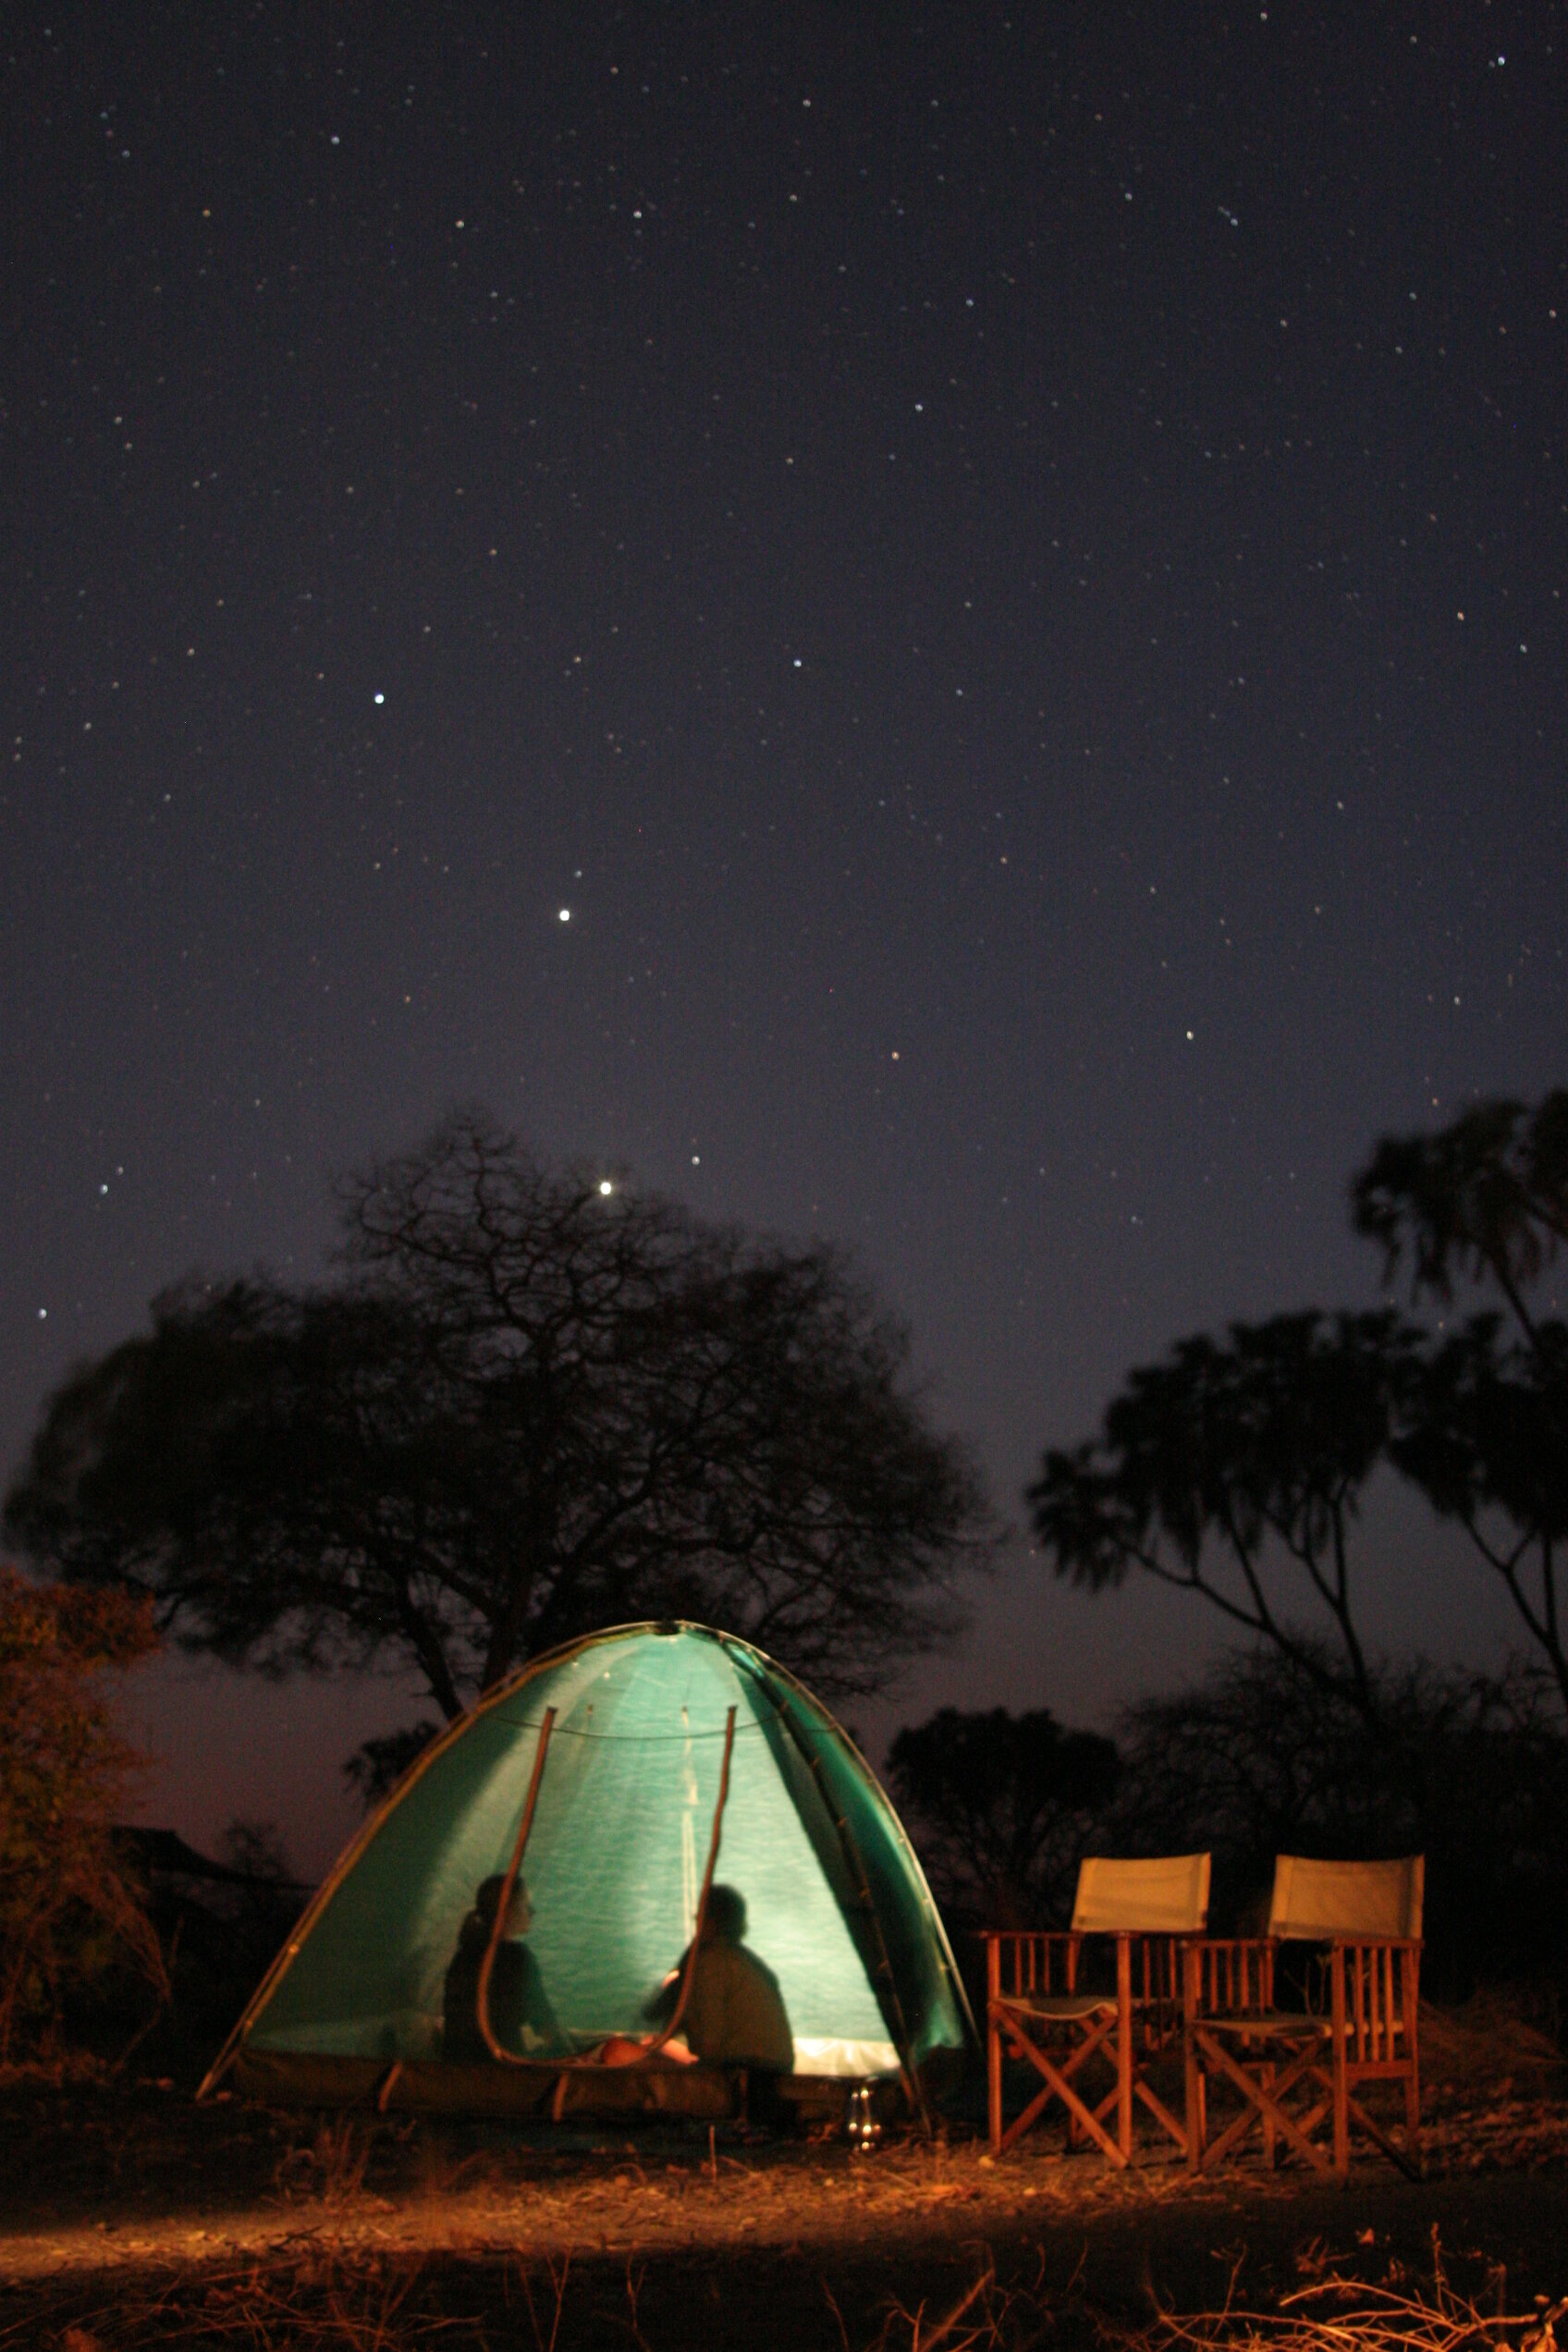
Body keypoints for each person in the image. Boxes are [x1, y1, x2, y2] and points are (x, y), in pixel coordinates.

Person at [644, 1884, 793, 2087]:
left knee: (633, 2054)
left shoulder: (712, 1963)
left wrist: (687, 2013)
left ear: (711, 1923)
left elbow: (709, 2049)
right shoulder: (745, 1962)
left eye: (700, 1915)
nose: (696, 1919)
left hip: (748, 2080)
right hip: (764, 2074)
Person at [443, 1873, 563, 2061]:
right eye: (526, 1905)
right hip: (501, 2071)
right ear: (507, 1911)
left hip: (457, 2068)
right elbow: (547, 2027)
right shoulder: (516, 1957)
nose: (532, 1911)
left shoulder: (463, 1955)